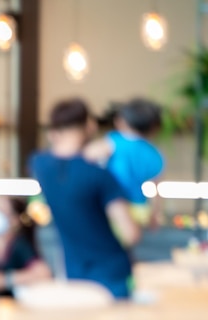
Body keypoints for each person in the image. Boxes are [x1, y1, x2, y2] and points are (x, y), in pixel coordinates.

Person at [30, 98, 141, 299]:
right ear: (90, 125)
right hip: (111, 274)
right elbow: (131, 233)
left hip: (74, 273)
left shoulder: (39, 165)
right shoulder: (99, 175)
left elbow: (56, 154)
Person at [84, 98, 165, 227]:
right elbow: (156, 189)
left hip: (114, 206)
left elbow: (86, 155)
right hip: (140, 208)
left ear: (121, 121)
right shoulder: (154, 153)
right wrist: (155, 214)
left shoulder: (114, 142)